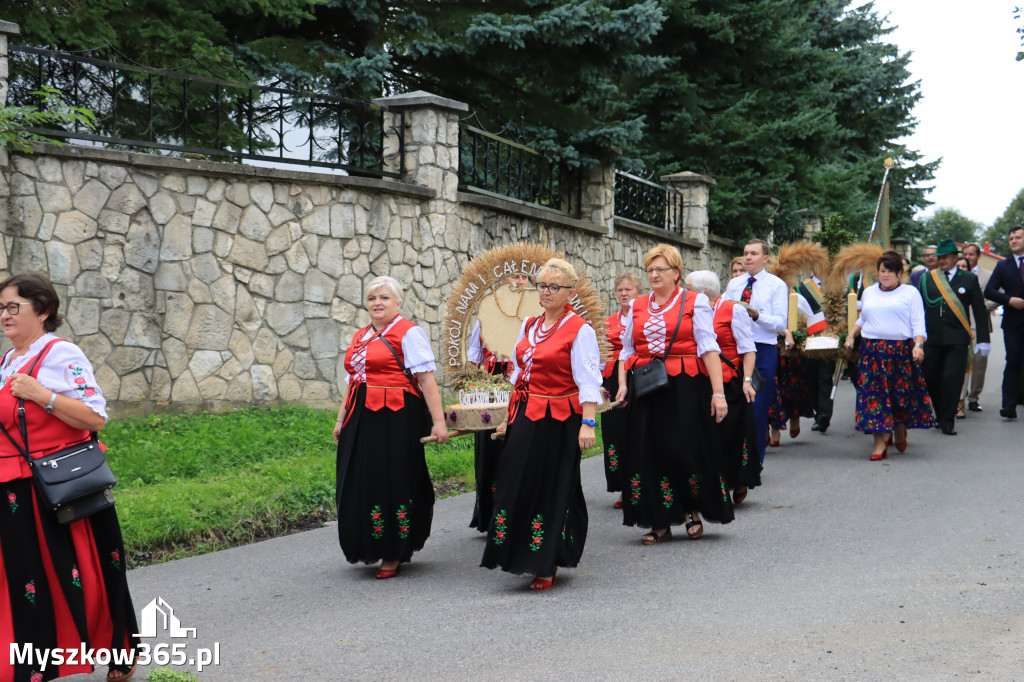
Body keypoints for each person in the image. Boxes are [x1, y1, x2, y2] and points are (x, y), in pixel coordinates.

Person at [0, 273, 139, 682]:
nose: (4, 315)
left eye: (13, 306)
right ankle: (35, 666)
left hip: (60, 483)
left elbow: (96, 416)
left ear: (42, 311)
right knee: (24, 575)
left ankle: (120, 648)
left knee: (89, 569)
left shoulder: (62, 355)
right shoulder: (6, 363)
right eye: (1, 308)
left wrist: (43, 395)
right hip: (13, 488)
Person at [481, 259, 601, 591]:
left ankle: (546, 561)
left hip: (560, 420)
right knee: (515, 480)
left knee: (552, 485)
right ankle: (517, 552)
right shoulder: (530, 325)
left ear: (570, 293)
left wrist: (587, 423)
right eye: (542, 286)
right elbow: (519, 376)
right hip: (526, 414)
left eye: (554, 287)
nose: (545, 292)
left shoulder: (580, 330)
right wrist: (508, 417)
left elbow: (588, 381)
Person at [333, 276, 449, 579]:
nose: (377, 303)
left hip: (398, 416)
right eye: (372, 298)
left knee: (395, 478)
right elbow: (353, 382)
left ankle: (395, 549)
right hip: (361, 415)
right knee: (361, 478)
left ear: (398, 303)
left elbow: (426, 381)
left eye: (384, 298)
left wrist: (439, 422)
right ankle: (371, 541)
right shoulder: (360, 336)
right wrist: (340, 419)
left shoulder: (409, 333)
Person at [616, 244, 731, 544]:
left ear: (676, 273)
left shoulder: (695, 302)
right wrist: (624, 384)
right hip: (647, 386)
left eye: (660, 269)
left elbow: (708, 347)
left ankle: (691, 509)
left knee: (684, 445)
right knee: (650, 452)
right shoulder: (638, 306)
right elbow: (626, 349)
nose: (654, 274)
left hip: (685, 385)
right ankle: (660, 521)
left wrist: (718, 393)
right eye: (650, 270)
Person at [845, 252, 934, 459]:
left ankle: (899, 428)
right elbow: (863, 319)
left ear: (899, 273)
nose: (885, 275)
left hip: (899, 352)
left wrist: (918, 345)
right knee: (872, 398)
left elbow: (918, 322)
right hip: (871, 352)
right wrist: (851, 335)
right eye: (882, 271)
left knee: (899, 397)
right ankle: (879, 443)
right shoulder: (869, 293)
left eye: (890, 272)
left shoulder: (910, 293)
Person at [686, 270, 758, 504]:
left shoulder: (732, 310)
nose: (684, 292)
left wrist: (747, 381)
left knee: (730, 434)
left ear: (703, 292)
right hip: (699, 381)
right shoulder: (688, 311)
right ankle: (710, 485)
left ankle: (737, 479)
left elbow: (748, 348)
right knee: (706, 436)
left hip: (729, 383)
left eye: (688, 287)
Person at [466, 273, 531, 533]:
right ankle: (492, 517)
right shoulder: (486, 316)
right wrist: (471, 392)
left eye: (524, 277)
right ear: (499, 283)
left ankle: (518, 516)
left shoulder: (536, 317)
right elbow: (474, 357)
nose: (518, 281)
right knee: (490, 455)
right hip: (491, 390)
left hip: (525, 390)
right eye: (512, 276)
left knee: (519, 452)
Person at [723, 239, 788, 467]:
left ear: (765, 258)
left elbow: (781, 323)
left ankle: (754, 462)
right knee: (734, 406)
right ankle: (732, 460)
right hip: (736, 349)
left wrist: (757, 315)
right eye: (745, 253)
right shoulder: (735, 284)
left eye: (753, 253)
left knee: (758, 409)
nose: (748, 257)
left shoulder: (776, 285)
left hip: (763, 349)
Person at [918, 239, 990, 435]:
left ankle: (947, 420)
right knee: (931, 378)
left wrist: (983, 339)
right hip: (932, 338)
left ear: (954, 257)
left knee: (952, 379)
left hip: (957, 338)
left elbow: (979, 310)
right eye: (939, 257)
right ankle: (940, 413)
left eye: (945, 257)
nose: (941, 261)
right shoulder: (927, 279)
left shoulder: (968, 279)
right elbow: (917, 309)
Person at [601, 272, 642, 508]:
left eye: (629, 290)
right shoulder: (608, 322)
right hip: (612, 381)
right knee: (614, 432)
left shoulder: (646, 317)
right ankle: (623, 487)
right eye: (620, 290)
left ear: (639, 292)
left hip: (639, 376)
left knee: (637, 431)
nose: (624, 294)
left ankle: (640, 485)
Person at [984, 225, 1024, 419]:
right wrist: (1008, 300)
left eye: (1017, 237)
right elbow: (989, 290)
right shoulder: (1003, 266)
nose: (1013, 241)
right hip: (1013, 322)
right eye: (1011, 238)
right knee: (1014, 360)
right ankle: (1009, 405)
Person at [962, 242, 997, 413]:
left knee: (978, 364)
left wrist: (982, 306)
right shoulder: (958, 274)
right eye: (965, 254)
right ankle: (960, 394)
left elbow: (999, 295)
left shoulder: (988, 275)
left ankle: (974, 397)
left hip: (979, 325)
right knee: (961, 363)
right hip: (960, 324)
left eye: (971, 254)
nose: (968, 257)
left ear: (978, 256)